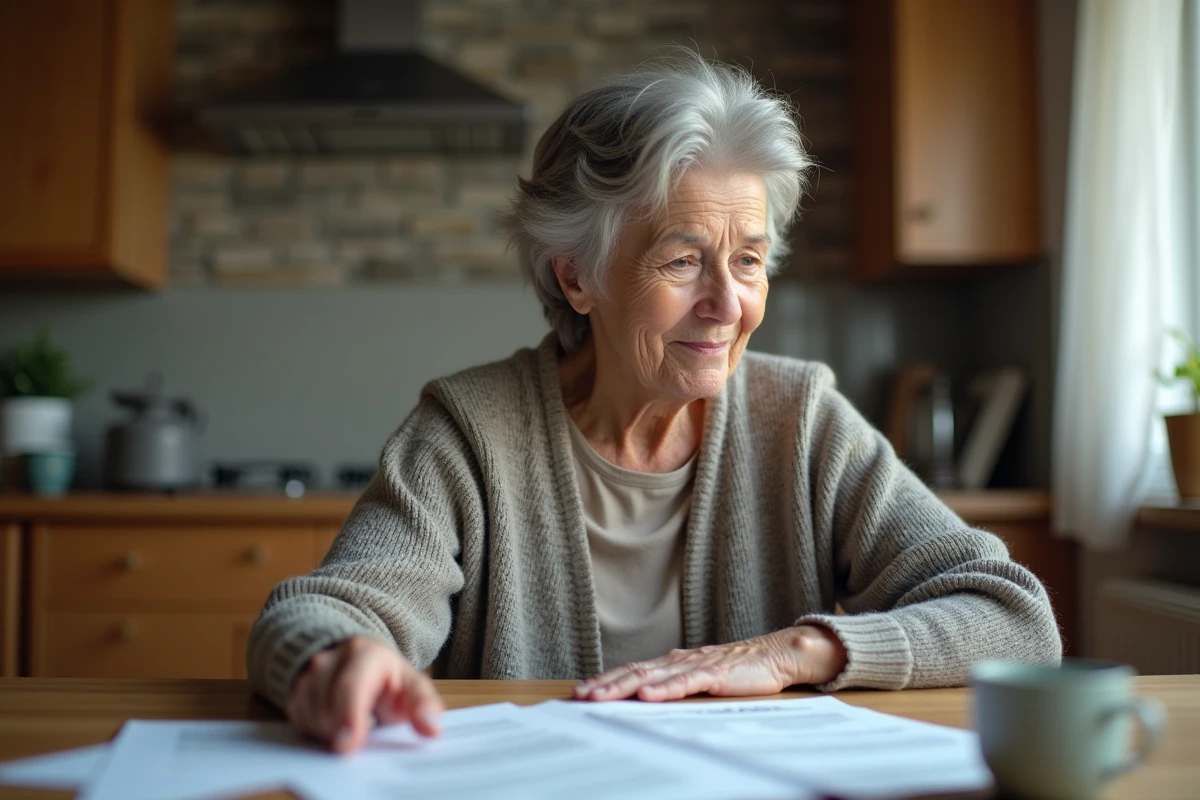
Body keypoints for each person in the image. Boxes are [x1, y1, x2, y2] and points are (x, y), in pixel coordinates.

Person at [247, 53, 1061, 754]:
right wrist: (335, 660)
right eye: (682, 261)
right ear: (577, 277)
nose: (727, 303)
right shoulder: (468, 433)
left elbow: (1013, 615)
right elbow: (326, 611)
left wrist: (797, 652)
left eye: (747, 260)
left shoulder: (800, 419)